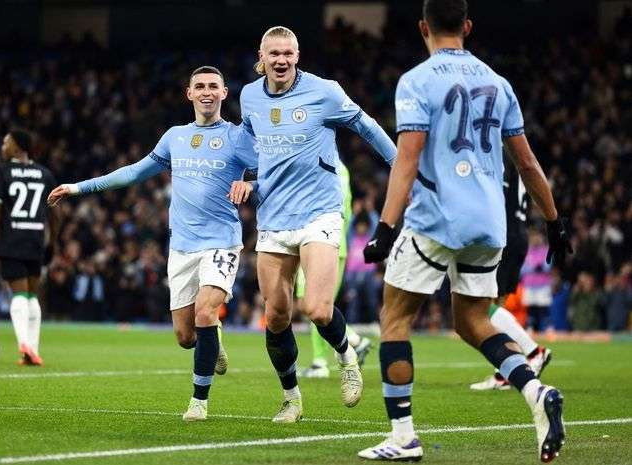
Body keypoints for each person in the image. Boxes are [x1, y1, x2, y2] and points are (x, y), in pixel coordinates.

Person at [359, 1, 572, 461]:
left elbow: (408, 159)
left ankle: (402, 438)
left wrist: (385, 226)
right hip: (490, 222)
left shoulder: (416, 81)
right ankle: (536, 393)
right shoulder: (499, 83)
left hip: (437, 217)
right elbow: (528, 163)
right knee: (472, 321)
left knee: (395, 319)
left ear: (423, 28)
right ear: (468, 27)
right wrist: (555, 222)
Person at [47, 66, 257, 421]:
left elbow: (270, 172)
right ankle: (213, 339)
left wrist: (252, 185)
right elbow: (133, 171)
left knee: (206, 311)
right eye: (200, 86)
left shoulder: (238, 138)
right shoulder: (175, 137)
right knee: (185, 337)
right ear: (188, 93)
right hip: (182, 248)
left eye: (213, 87)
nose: (207, 92)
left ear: (224, 94)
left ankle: (199, 401)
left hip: (222, 242)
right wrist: (78, 187)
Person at [238, 25, 397, 422]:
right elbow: (249, 146)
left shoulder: (324, 91)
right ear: (262, 56)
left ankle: (346, 358)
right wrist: (244, 178)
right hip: (273, 215)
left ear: (298, 55)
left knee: (317, 308)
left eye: (288, 53)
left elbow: (366, 125)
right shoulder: (249, 96)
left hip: (318, 212)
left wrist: (401, 165)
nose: (282, 60)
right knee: (275, 316)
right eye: (274, 53)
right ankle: (291, 397)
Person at [0, 129, 60, 366]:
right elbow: (56, 215)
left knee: (19, 294)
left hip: (13, 241)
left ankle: (24, 344)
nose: (2, 147)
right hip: (36, 241)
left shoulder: (3, 172)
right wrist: (52, 243)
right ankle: (32, 350)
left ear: (16, 147)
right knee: (31, 295)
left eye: (5, 142)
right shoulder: (45, 174)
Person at [470, 158, 552, 390]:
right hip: (519, 236)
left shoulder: (499, 160)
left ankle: (534, 351)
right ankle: (505, 370)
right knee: (497, 306)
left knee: (483, 308)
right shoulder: (519, 163)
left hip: (503, 237)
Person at [297, 160, 372, 379]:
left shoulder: (319, 164)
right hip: (334, 243)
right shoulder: (341, 167)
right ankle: (353, 341)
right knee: (316, 304)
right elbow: (346, 210)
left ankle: (322, 361)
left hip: (318, 242)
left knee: (312, 303)